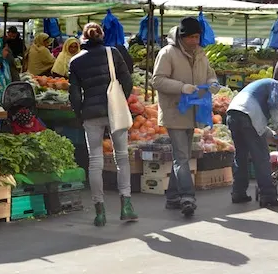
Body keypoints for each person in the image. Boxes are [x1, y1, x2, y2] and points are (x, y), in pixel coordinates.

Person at [68, 23, 137, 226]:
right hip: (114, 111)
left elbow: (74, 94)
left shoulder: (75, 61)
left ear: (83, 38)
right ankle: (126, 205)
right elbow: (127, 81)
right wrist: (120, 101)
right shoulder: (113, 53)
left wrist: (79, 113)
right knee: (122, 157)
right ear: (101, 35)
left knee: (95, 161)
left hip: (91, 113)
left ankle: (100, 211)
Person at [152, 17, 220, 217]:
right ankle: (187, 197)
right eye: (191, 37)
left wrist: (213, 82)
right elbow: (157, 80)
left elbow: (209, 73)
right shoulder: (167, 53)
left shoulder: (200, 54)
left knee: (181, 156)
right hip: (174, 112)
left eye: (197, 36)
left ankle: (172, 197)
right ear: (181, 37)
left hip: (194, 112)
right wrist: (181, 88)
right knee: (182, 156)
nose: (194, 40)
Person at [227, 78, 278, 207]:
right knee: (261, 157)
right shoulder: (276, 85)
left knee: (241, 156)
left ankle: (238, 192)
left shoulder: (259, 87)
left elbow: (259, 125)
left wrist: (272, 133)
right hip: (248, 115)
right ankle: (268, 196)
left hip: (232, 113)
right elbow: (274, 105)